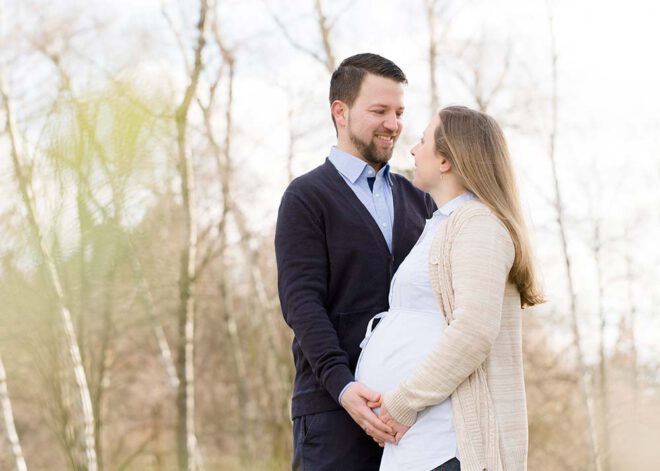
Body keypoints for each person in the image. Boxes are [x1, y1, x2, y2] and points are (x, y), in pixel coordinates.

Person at [355, 106, 544, 471]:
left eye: (423, 140)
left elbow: (474, 331)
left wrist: (400, 404)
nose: (412, 149)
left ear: (446, 160)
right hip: (418, 444)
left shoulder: (479, 225)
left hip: (447, 445)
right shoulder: (444, 224)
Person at [274, 53, 436, 470]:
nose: (393, 124)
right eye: (379, 111)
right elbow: (302, 304)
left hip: (411, 419)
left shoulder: (421, 200)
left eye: (399, 112)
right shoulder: (307, 197)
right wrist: (343, 386)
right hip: (332, 412)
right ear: (340, 112)